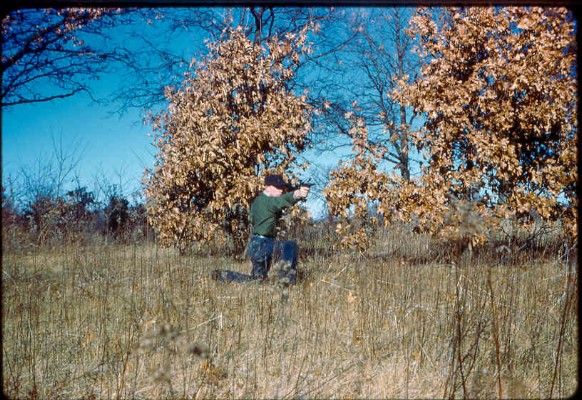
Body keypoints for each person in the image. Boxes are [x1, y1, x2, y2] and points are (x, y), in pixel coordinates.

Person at [212, 174, 310, 285]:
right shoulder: (267, 202)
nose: (281, 190)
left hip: (256, 245)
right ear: (266, 187)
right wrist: (298, 194)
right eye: (278, 187)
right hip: (264, 244)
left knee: (258, 280)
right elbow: (281, 201)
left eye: (282, 188)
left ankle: (223, 275)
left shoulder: (258, 201)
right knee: (290, 246)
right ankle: (285, 282)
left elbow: (280, 201)